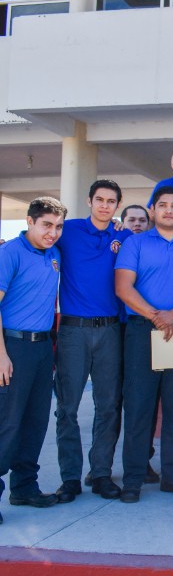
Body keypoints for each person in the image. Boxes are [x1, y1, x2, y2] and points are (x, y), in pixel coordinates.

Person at [114, 187, 173, 503]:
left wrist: (172, 316)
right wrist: (157, 317)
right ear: (153, 210)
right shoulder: (135, 242)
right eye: (163, 205)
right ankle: (133, 479)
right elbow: (123, 287)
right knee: (139, 408)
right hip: (143, 332)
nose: (169, 210)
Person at [53, 180, 131, 504]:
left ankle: (100, 473)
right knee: (67, 407)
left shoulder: (125, 237)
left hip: (111, 331)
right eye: (99, 199)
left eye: (111, 201)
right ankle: (70, 478)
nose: (104, 205)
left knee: (109, 405)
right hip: (73, 330)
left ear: (117, 206)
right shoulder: (68, 231)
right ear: (89, 201)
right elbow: (37, 238)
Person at [0, 197, 67, 524]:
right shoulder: (9, 253)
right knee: (8, 423)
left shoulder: (53, 254)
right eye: (46, 225)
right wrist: (0, 355)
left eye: (58, 227)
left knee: (36, 421)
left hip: (42, 348)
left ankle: (25, 486)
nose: (52, 233)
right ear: (29, 221)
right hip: (12, 347)